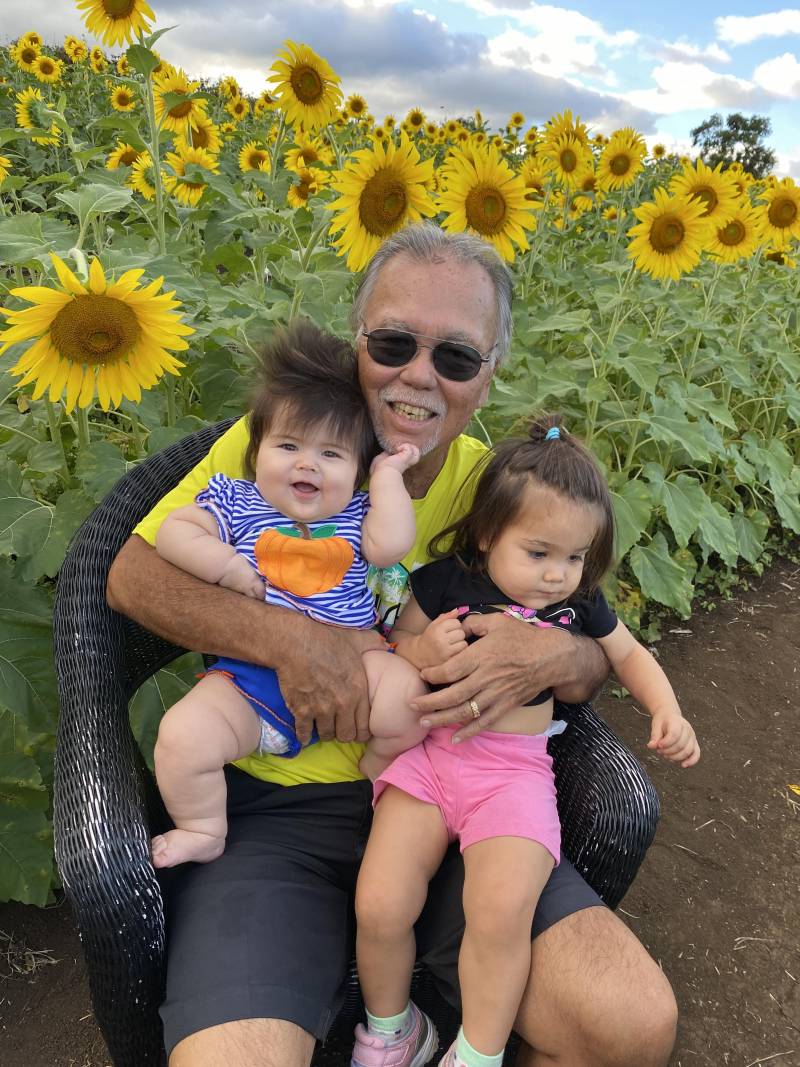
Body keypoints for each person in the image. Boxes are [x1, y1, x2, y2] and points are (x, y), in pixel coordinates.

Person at [107, 222, 679, 1067]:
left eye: (455, 356)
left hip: (455, 803)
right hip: (271, 815)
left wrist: (559, 658)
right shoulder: (291, 443)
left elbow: (592, 631)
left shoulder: (501, 488)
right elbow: (131, 577)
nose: (418, 374)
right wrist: (296, 641)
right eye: (393, 341)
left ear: (487, 379)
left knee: (630, 1027)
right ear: (356, 344)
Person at [352, 416, 699, 1067]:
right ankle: (392, 1026)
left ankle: (477, 1052)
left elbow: (627, 655)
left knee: (500, 909)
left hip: (511, 777)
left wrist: (667, 709)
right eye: (539, 553)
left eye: (574, 557)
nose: (557, 576)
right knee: (380, 899)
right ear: (488, 535)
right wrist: (424, 646)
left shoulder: (575, 607)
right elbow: (398, 642)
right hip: (428, 761)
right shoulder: (447, 580)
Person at [150, 320, 430, 868]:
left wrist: (389, 477)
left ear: (356, 472)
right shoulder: (236, 504)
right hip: (249, 680)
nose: (307, 463)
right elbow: (172, 533)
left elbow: (392, 545)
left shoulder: (357, 515)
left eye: (332, 455)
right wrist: (226, 565)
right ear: (256, 455)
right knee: (182, 736)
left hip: (356, 660)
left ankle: (374, 769)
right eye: (288, 445)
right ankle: (203, 827)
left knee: (409, 701)